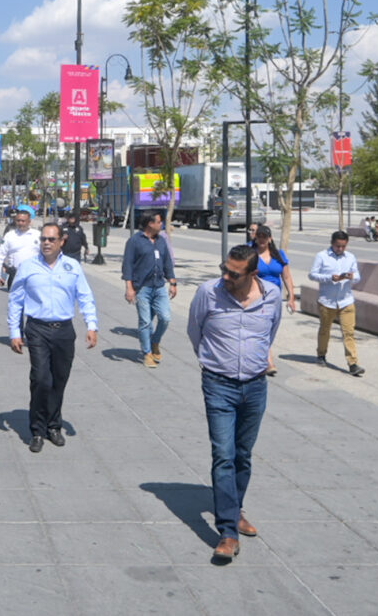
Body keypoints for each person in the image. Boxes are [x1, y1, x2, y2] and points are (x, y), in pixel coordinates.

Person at [187, 244, 282, 562]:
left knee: (243, 455)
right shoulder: (208, 292)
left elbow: (270, 332)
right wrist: (214, 362)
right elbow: (194, 330)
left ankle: (235, 507)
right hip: (218, 385)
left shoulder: (271, 295)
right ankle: (227, 531)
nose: (225, 276)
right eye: (223, 269)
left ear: (252, 274)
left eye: (233, 273)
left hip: (255, 387)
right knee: (223, 455)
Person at [8, 222, 98, 453]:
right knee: (40, 379)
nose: (46, 243)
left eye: (51, 239)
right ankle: (37, 430)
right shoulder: (28, 266)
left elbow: (85, 296)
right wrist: (15, 332)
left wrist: (92, 325)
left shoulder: (72, 266)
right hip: (37, 329)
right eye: (43, 239)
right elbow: (15, 300)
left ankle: (54, 426)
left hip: (64, 331)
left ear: (61, 241)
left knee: (59, 380)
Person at [121, 213, 177, 368]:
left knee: (165, 317)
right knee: (145, 322)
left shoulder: (161, 241)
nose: (162, 225)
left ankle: (155, 342)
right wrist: (129, 288)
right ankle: (147, 353)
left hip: (159, 286)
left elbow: (167, 263)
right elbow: (127, 266)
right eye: (159, 222)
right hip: (142, 288)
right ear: (149, 224)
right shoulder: (134, 241)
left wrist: (173, 282)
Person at [309, 230, 364, 376]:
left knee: (349, 332)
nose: (340, 249)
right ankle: (321, 355)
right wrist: (329, 278)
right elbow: (312, 275)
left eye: (343, 246)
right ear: (332, 243)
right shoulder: (322, 256)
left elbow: (357, 276)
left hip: (346, 300)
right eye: (337, 246)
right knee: (325, 330)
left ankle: (352, 363)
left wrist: (352, 276)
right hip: (327, 301)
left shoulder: (350, 257)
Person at [251, 225, 296, 376]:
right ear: (256, 238)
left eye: (265, 237)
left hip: (275, 298)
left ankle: (260, 356)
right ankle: (268, 362)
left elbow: (287, 276)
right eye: (259, 236)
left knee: (271, 328)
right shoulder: (251, 254)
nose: (262, 239)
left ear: (270, 239)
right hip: (257, 297)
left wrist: (291, 296)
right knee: (262, 327)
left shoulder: (279, 255)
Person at [0, 207, 39, 290]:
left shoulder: (37, 235)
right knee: (15, 302)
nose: (20, 223)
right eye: (18, 221)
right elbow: (0, 255)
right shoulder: (10, 236)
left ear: (29, 222)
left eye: (23, 221)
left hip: (33, 275)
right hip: (15, 274)